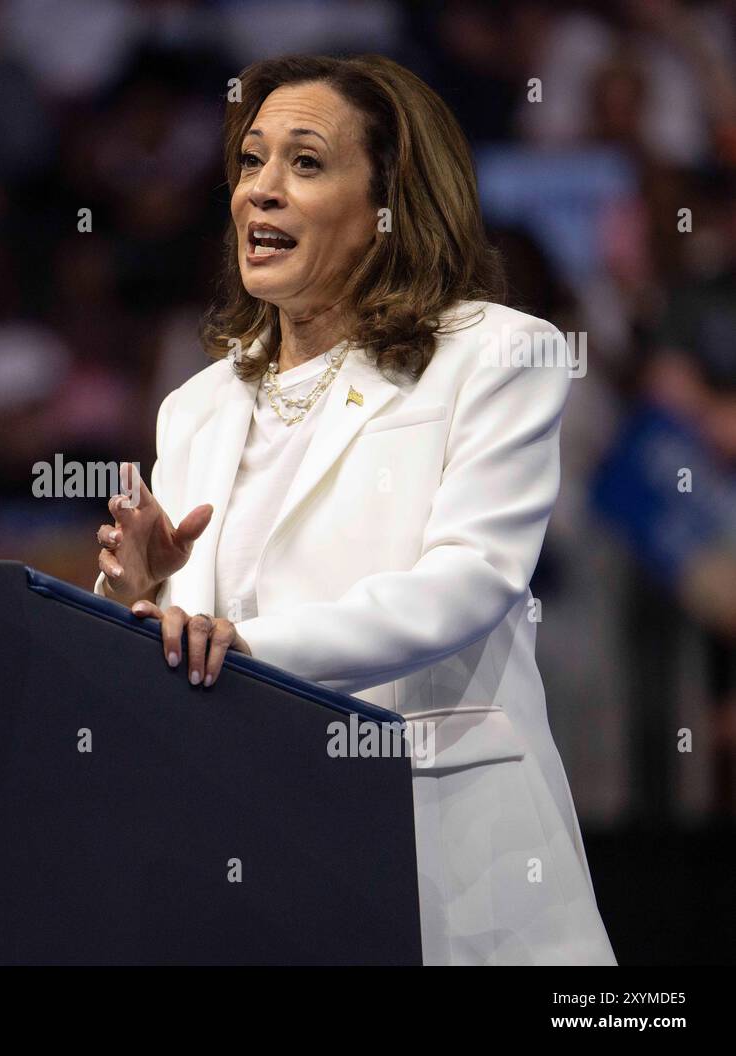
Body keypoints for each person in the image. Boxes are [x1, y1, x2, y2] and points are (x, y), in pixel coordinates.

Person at [94, 54, 616, 966]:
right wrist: (131, 599)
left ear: (390, 206)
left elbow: (471, 580)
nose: (260, 190)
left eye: (304, 162)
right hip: (253, 866)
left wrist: (254, 651)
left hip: (444, 858)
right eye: (250, 162)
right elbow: (170, 655)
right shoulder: (197, 406)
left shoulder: (497, 355)